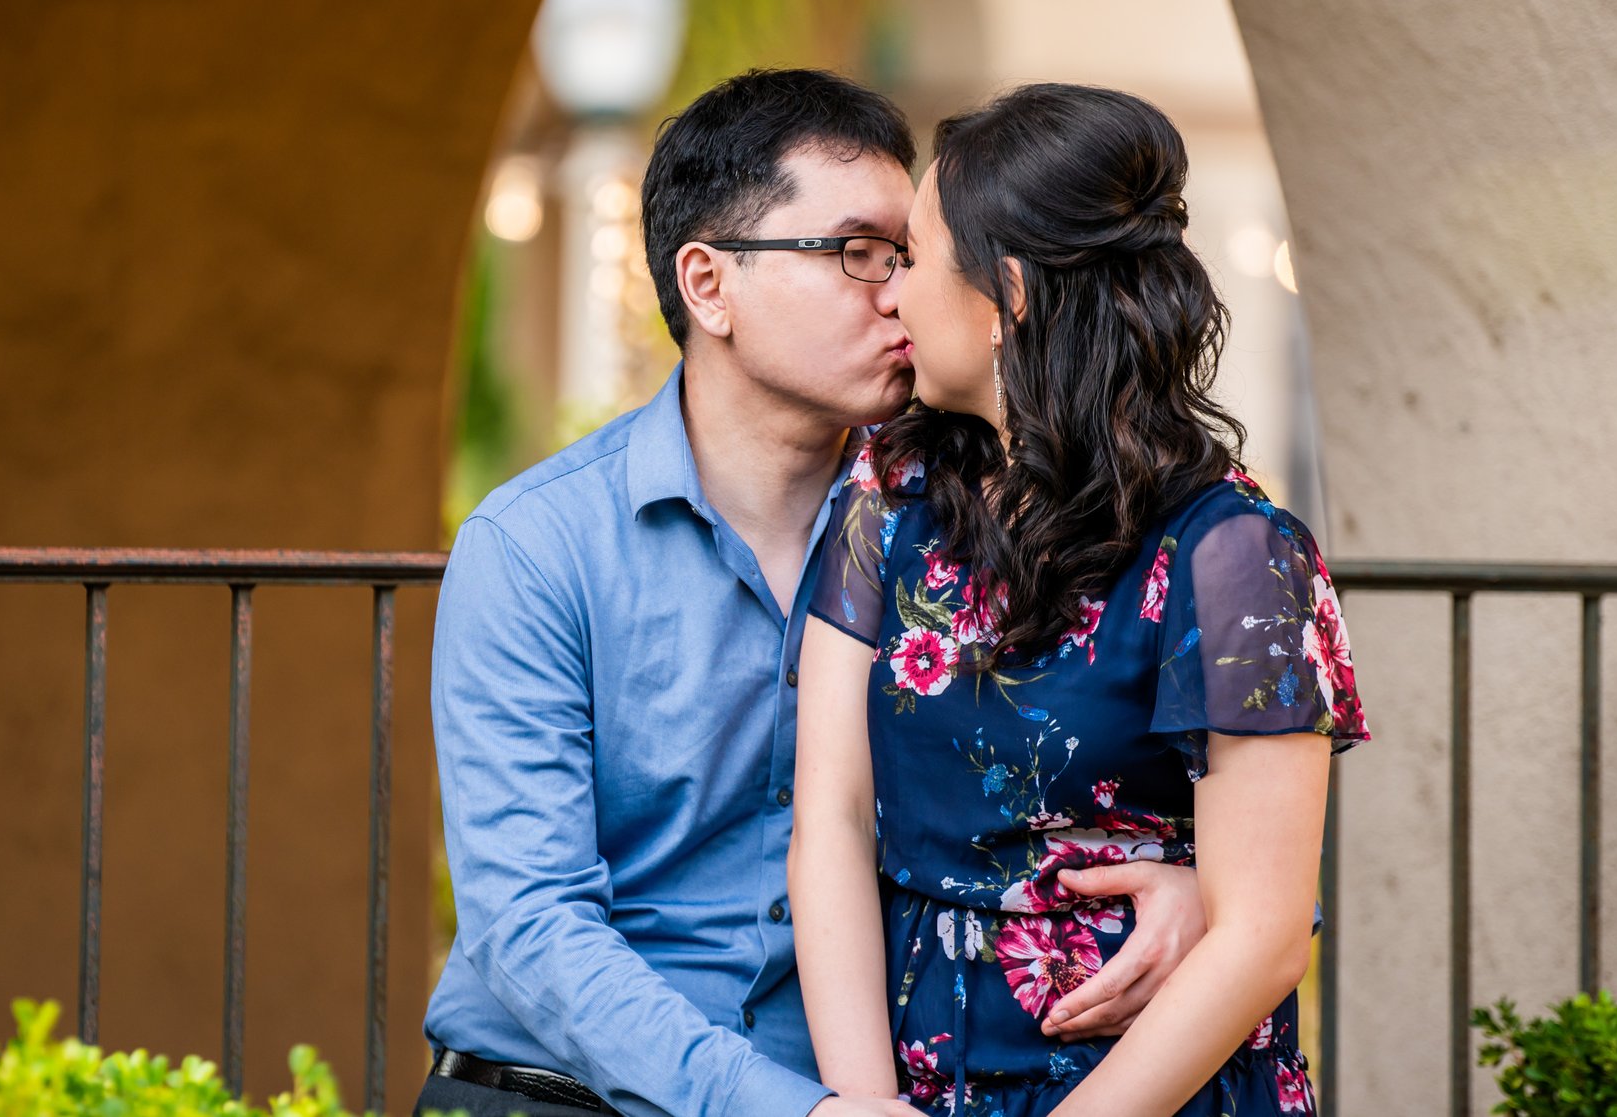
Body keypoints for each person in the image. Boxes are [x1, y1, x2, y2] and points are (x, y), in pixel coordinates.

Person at [413, 70, 1210, 1117]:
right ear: (709, 285)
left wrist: (1201, 891)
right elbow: (530, 925)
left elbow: (1113, 779)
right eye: (856, 253)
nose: (900, 292)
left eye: (910, 255)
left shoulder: (971, 523)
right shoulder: (536, 547)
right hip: (564, 1092)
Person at [790, 83, 1371, 1117]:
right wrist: (863, 1105)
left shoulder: (1236, 554)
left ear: (1007, 294)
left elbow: (1264, 933)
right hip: (919, 1081)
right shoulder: (890, 497)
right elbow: (830, 816)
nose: (893, 295)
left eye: (914, 258)